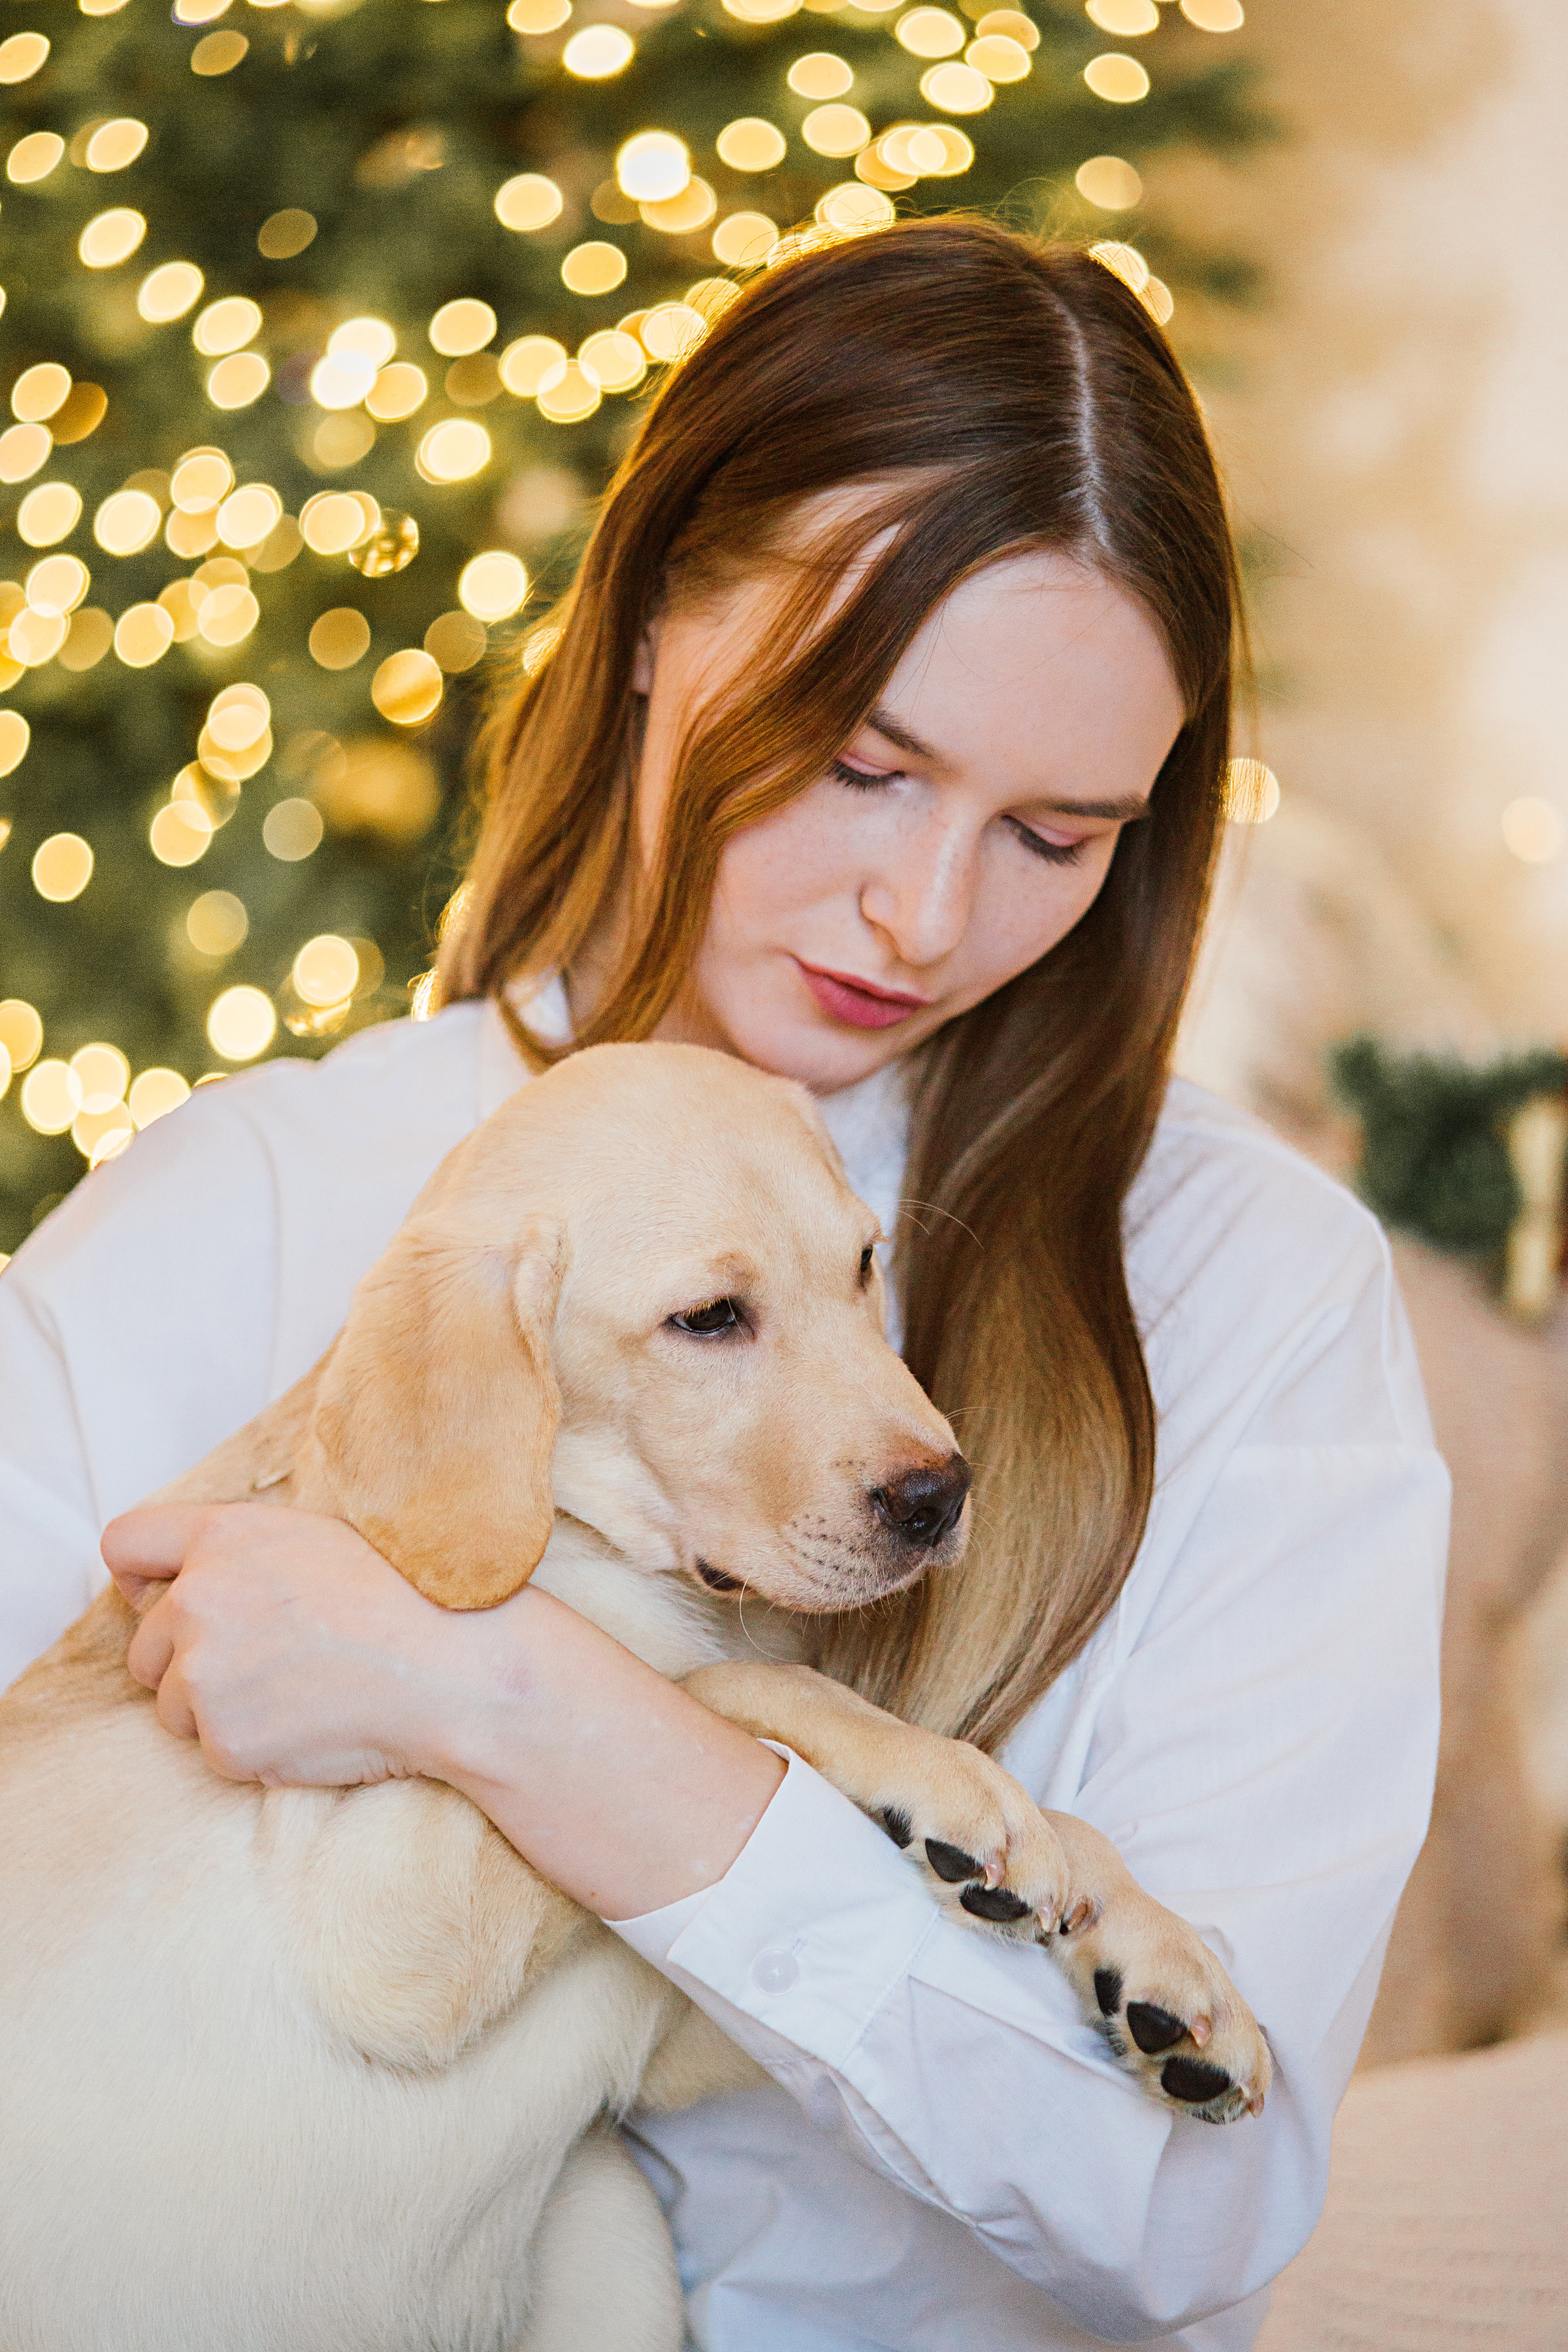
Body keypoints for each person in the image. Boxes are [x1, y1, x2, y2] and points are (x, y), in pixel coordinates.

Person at [0, 221, 1446, 2349]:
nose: (925, 909)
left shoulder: (1257, 1288)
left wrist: (508, 1706)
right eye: (861, 760)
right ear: (663, 610)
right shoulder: (250, 1201)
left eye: (1059, 834)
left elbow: (1196, 2202)